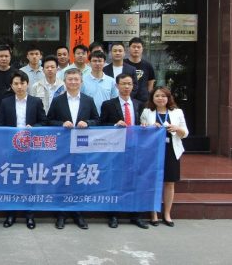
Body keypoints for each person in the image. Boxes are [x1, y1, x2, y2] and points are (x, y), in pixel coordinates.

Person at [46, 68, 99, 230]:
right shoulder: (58, 100)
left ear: (81, 82)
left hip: (82, 146)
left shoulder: (88, 100)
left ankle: (78, 213)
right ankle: (61, 214)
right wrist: (61, 124)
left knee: (79, 178)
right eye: (70, 79)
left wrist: (87, 123)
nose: (73, 82)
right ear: (65, 82)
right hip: (62, 146)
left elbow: (97, 119)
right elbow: (49, 121)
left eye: (76, 79)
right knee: (62, 178)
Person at [0, 70, 47, 230]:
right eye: (16, 84)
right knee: (11, 180)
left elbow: (43, 122)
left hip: (31, 147)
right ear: (11, 86)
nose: (19, 86)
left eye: (22, 83)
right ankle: (10, 214)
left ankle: (29, 215)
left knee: (30, 181)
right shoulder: (5, 102)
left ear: (27, 84)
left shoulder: (36, 102)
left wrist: (34, 127)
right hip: (11, 148)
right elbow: (0, 125)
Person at [99, 73, 149, 230]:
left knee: (135, 181)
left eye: (129, 84)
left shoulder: (140, 105)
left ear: (133, 86)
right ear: (117, 86)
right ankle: (113, 215)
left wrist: (146, 126)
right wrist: (114, 125)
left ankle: (136, 215)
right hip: (115, 148)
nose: (126, 87)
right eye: (123, 84)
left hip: (135, 148)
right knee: (115, 181)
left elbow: (145, 123)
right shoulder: (108, 104)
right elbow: (100, 125)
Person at [140, 86, 189, 227]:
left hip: (171, 150)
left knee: (169, 182)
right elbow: (142, 132)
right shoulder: (147, 112)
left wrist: (177, 128)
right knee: (153, 181)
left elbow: (185, 133)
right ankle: (154, 214)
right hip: (152, 151)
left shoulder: (177, 112)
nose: (160, 98)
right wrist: (149, 127)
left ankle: (167, 214)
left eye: (163, 96)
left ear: (168, 98)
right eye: (157, 96)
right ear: (152, 98)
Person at [125, 37, 156, 103]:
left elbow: (151, 84)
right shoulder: (123, 64)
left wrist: (149, 98)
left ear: (142, 49)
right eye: (134, 47)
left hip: (143, 100)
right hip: (126, 99)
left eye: (138, 47)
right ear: (129, 48)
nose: (136, 49)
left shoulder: (148, 65)